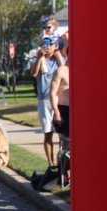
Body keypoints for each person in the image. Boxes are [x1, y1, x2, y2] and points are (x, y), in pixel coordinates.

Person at [31, 35, 65, 167]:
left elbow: (65, 70)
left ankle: (61, 163)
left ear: (55, 46)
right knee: (47, 133)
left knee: (62, 134)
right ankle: (51, 165)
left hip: (59, 99)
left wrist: (58, 55)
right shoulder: (39, 59)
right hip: (44, 100)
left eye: (50, 44)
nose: (47, 46)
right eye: (45, 44)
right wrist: (40, 57)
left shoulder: (59, 59)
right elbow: (34, 73)